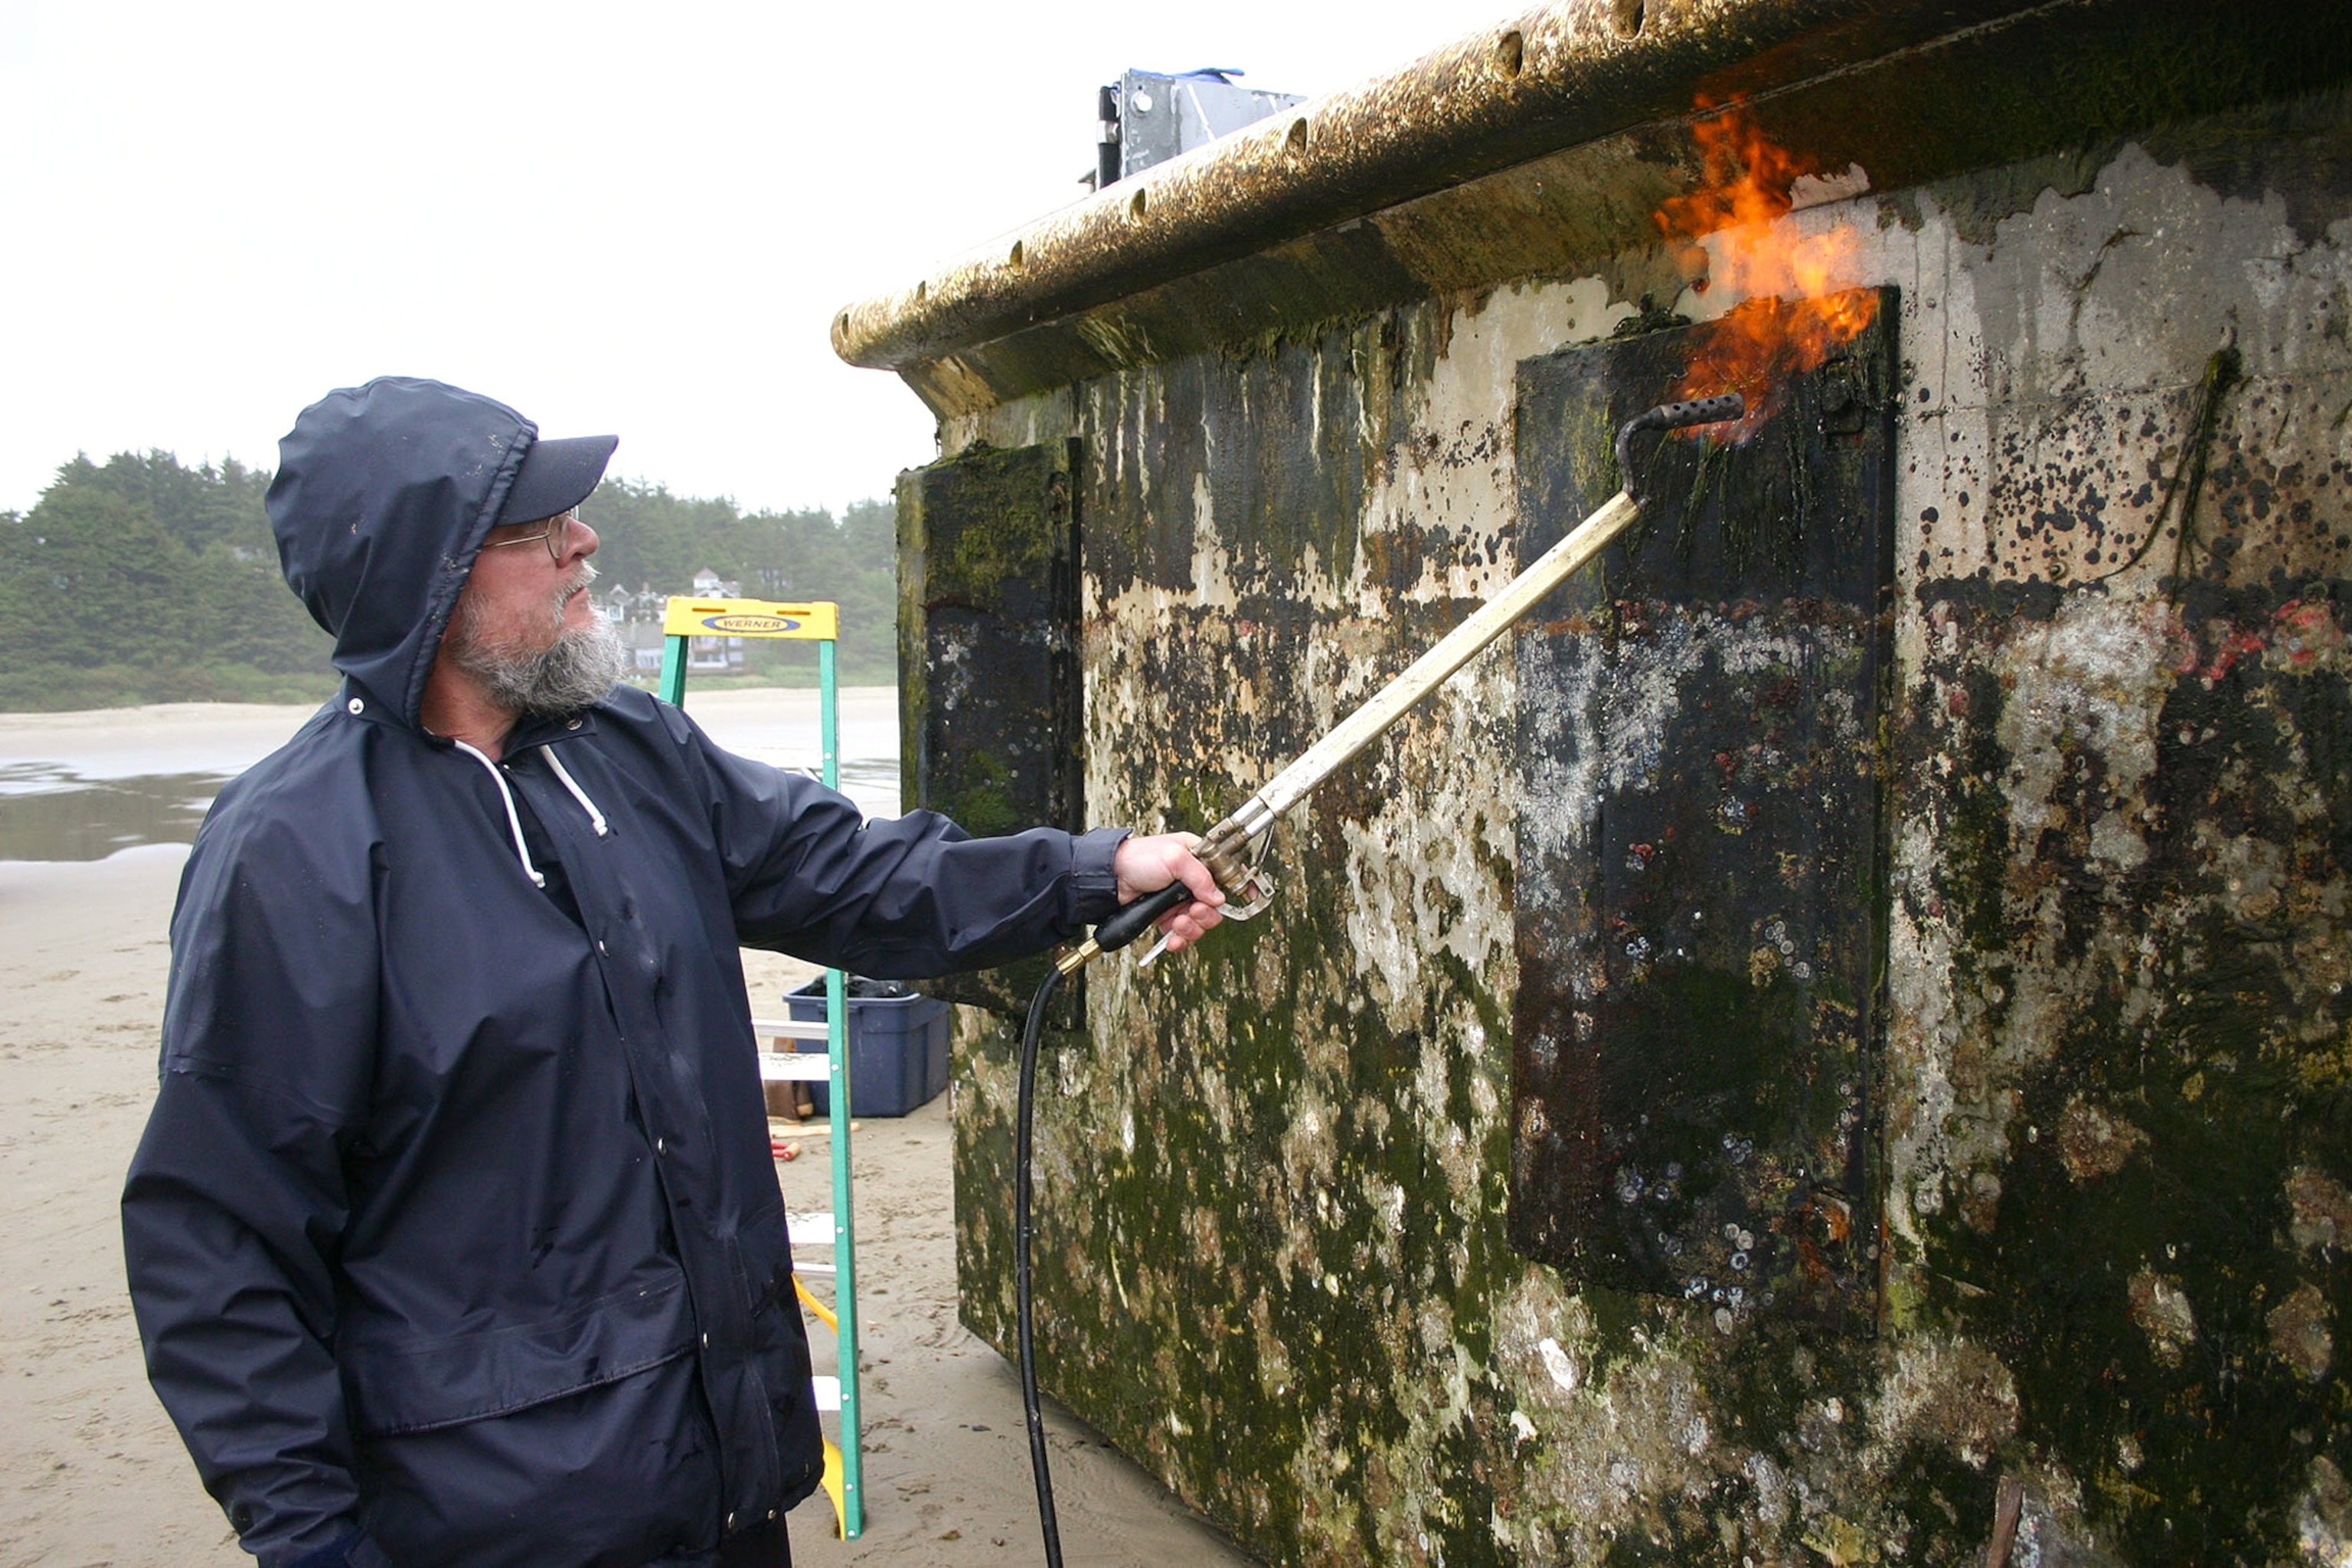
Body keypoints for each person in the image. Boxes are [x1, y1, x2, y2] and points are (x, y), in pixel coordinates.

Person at [120, 377, 1223, 1568]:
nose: (583, 541)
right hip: (497, 1520)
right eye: (535, 528)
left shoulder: (631, 746)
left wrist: (1096, 869)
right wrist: (311, 1543)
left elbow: (854, 877)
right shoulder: (290, 853)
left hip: (725, 1469)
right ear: (426, 579)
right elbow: (221, 1243)